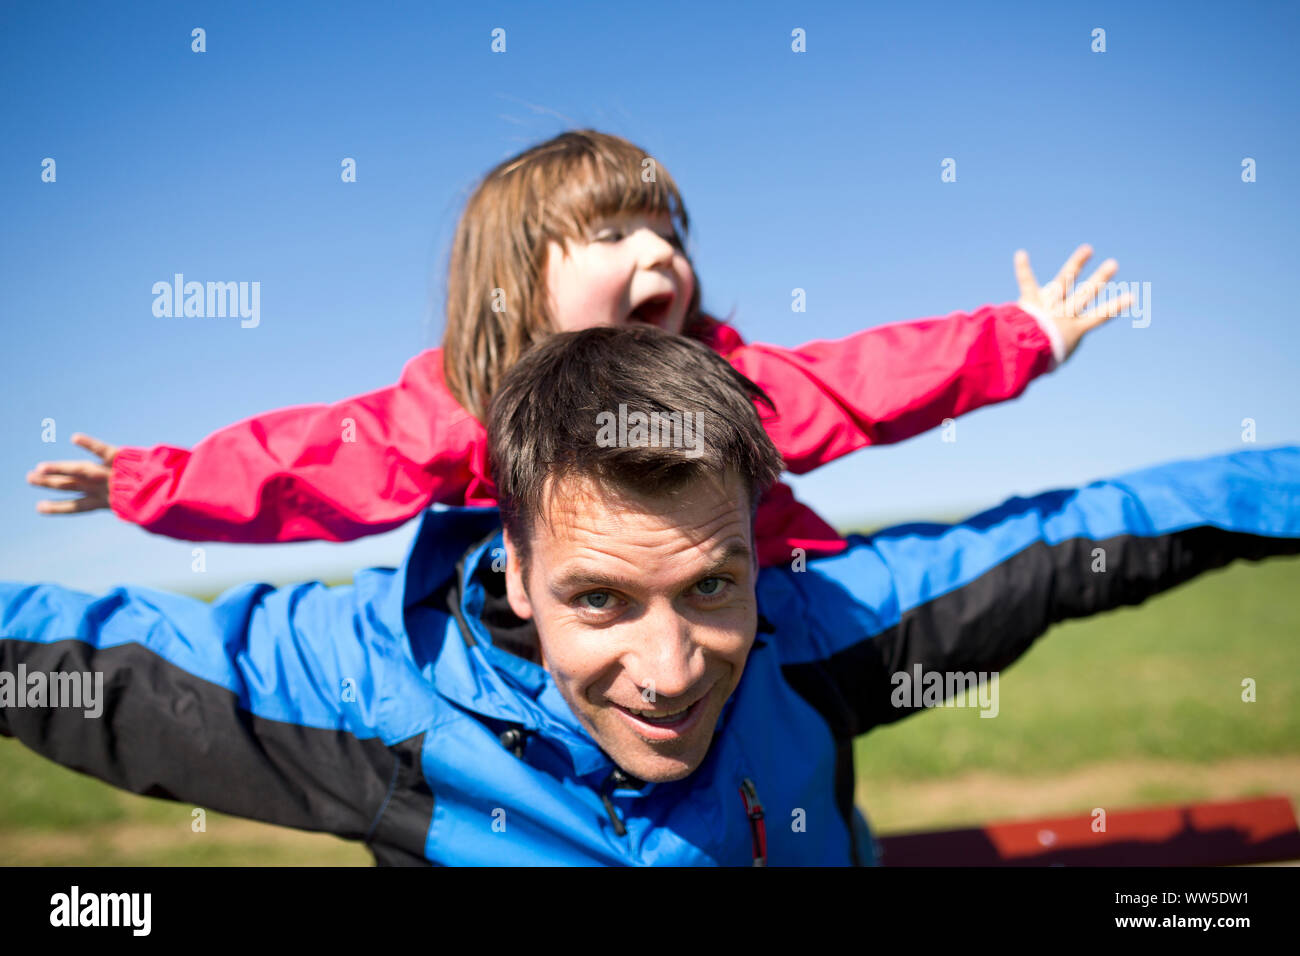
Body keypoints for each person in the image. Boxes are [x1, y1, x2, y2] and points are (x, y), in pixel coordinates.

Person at [8, 327, 1292, 866]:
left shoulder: (820, 623)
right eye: (602, 600)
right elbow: (64, 654)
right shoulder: (364, 684)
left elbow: (1094, 529)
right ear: (509, 561)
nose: (673, 667)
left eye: (713, 584)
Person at [25, 130, 1131, 567]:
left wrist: (1022, 336)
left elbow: (865, 379)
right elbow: (313, 461)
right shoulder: (469, 404)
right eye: (615, 235)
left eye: (669, 233)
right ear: (517, 280)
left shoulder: (723, 381)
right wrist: (147, 480)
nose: (658, 255)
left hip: (773, 618)